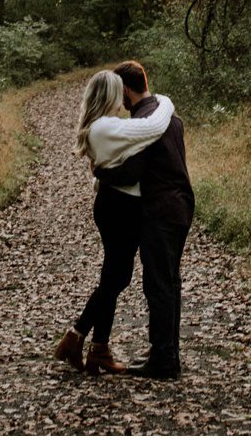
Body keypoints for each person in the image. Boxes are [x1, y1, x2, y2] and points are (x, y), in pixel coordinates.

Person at [55, 70, 175, 375]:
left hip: (116, 205)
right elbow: (154, 126)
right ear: (110, 94)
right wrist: (166, 100)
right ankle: (77, 336)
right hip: (120, 209)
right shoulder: (107, 127)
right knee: (115, 278)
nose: (122, 98)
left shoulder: (102, 127)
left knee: (114, 277)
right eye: (117, 92)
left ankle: (98, 349)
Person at [92, 59, 193, 379]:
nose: (119, 103)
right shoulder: (169, 117)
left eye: (119, 94)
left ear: (125, 90)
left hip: (160, 210)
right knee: (170, 283)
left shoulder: (145, 123)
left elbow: (133, 170)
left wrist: (100, 172)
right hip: (181, 205)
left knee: (159, 286)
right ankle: (168, 353)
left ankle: (163, 360)